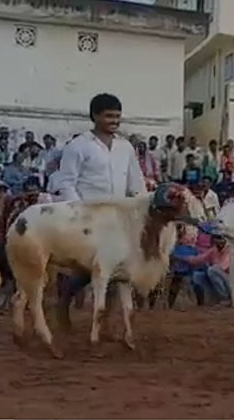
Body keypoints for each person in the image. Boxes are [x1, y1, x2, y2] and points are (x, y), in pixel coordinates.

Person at [52, 93, 146, 328]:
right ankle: (64, 302)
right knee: (91, 268)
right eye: (109, 116)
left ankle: (105, 323)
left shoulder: (125, 147)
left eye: (117, 116)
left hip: (119, 218)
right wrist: (79, 212)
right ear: (95, 116)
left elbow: (137, 184)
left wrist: (143, 209)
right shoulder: (79, 145)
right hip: (88, 217)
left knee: (118, 271)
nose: (114, 121)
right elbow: (65, 182)